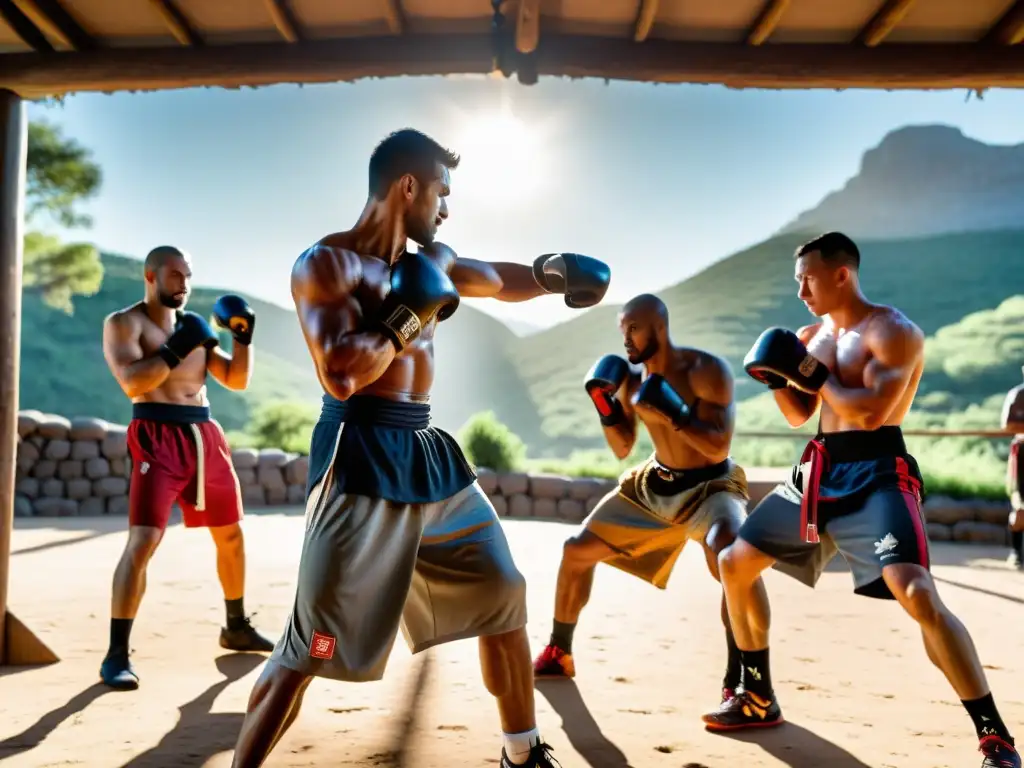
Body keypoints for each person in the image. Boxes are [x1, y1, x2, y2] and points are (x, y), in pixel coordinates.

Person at [229, 128, 611, 768]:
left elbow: (493, 278)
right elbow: (343, 373)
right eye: (442, 192)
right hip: (359, 452)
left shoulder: (429, 260)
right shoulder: (326, 263)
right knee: (309, 649)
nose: (446, 208)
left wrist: (553, 276)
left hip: (430, 452)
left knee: (502, 591)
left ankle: (523, 753)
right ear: (408, 186)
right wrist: (409, 314)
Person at [702, 232, 1020, 768]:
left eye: (807, 277)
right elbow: (798, 414)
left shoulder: (893, 331)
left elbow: (872, 413)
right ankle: (756, 695)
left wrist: (807, 372)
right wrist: (779, 378)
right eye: (796, 280)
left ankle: (994, 735)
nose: (800, 289)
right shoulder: (810, 334)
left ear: (841, 274)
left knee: (915, 591)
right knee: (734, 560)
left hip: (877, 469)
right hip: (819, 468)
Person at [532, 293, 764, 710]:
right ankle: (558, 651)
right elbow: (623, 447)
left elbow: (718, 446)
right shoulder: (634, 380)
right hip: (652, 484)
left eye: (633, 329)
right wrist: (606, 406)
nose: (626, 339)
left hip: (711, 487)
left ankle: (740, 678)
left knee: (729, 554)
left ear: (659, 327)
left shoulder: (705, 370)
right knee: (576, 551)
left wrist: (676, 414)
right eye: (622, 330)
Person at [99, 246, 275, 690]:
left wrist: (244, 338)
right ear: (150, 276)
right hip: (155, 435)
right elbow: (133, 382)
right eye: (175, 275)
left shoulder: (193, 326)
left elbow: (235, 379)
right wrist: (179, 347)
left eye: (188, 276)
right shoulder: (124, 323)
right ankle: (116, 653)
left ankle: (235, 625)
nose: (183, 284)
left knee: (231, 534)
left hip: (204, 434)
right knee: (143, 540)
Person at [1001, 373, 1024, 570]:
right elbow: (1008, 424)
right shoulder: (1018, 395)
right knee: (1020, 506)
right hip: (1023, 454)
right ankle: (1016, 551)